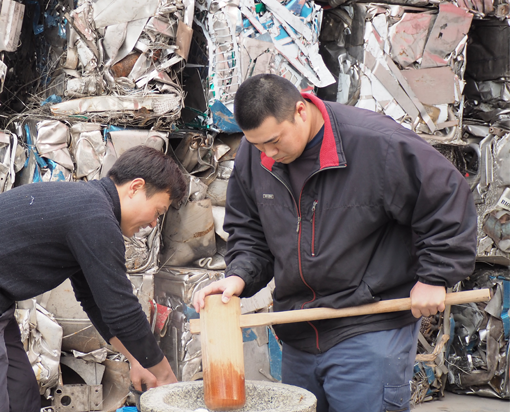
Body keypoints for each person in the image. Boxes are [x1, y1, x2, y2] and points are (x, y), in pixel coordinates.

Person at [193, 74, 477, 412]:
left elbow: (446, 196)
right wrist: (239, 276)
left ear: (300, 111)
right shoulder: (258, 157)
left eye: (274, 141)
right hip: (298, 327)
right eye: (257, 146)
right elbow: (250, 232)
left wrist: (435, 276)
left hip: (367, 325)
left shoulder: (376, 143)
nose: (267, 154)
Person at [0, 145, 186, 412]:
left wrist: (136, 359)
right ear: (136, 187)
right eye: (158, 212)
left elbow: (96, 303)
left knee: (21, 397)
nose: (153, 224)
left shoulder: (90, 210)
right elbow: (122, 310)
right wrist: (164, 376)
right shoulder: (95, 216)